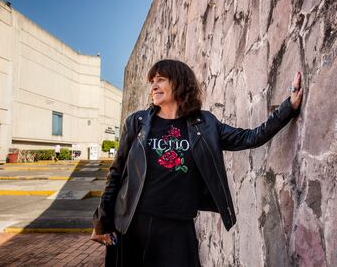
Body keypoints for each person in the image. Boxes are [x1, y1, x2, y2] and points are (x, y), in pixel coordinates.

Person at [92, 59, 303, 266]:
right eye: (152, 82)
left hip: (178, 226)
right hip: (133, 223)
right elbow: (117, 172)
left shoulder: (205, 124)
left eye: (161, 79)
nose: (154, 86)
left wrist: (288, 107)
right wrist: (101, 221)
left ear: (179, 83)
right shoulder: (137, 122)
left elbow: (250, 137)